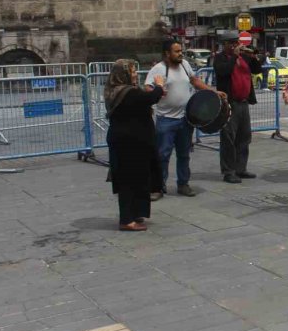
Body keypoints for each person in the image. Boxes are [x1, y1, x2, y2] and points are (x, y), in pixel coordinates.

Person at [145, 39, 224, 199]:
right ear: (167, 54)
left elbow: (195, 81)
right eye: (177, 51)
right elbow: (147, 88)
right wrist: (156, 90)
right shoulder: (157, 69)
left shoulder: (185, 65)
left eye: (181, 51)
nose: (180, 53)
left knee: (184, 154)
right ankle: (158, 187)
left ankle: (183, 184)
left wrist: (212, 92)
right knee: (163, 155)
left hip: (186, 119)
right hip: (166, 120)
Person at [105, 60, 165, 231]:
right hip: (128, 143)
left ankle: (135, 213)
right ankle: (126, 219)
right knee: (128, 180)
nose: (135, 74)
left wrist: (153, 92)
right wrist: (159, 86)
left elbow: (143, 100)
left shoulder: (120, 91)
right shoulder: (125, 92)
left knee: (138, 178)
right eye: (131, 71)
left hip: (133, 142)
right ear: (123, 74)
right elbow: (150, 98)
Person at [212, 31, 262, 184]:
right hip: (230, 103)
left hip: (244, 102)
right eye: (231, 42)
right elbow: (223, 71)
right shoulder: (219, 58)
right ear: (225, 44)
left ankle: (241, 168)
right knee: (228, 138)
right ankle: (228, 171)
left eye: (236, 42)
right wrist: (234, 56)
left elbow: (257, 70)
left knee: (244, 137)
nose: (235, 45)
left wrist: (254, 58)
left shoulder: (244, 57)